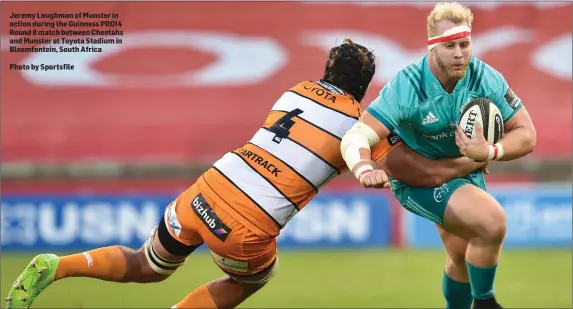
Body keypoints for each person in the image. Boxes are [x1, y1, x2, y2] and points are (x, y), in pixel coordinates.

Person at [6, 39, 486, 309]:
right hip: (247, 223)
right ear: (365, 87)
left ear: (326, 69)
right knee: (254, 279)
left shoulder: (294, 92)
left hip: (207, 186)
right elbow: (415, 172)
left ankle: (58, 265)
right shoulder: (360, 126)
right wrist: (471, 160)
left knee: (148, 265)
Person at [340, 3, 537, 309]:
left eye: (464, 44)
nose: (459, 53)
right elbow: (357, 135)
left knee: (460, 254)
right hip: (419, 179)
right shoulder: (408, 86)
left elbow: (526, 134)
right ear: (432, 48)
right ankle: (486, 302)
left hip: (462, 171)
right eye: (449, 46)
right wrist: (364, 167)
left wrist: (489, 151)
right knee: (492, 222)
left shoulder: (484, 77)